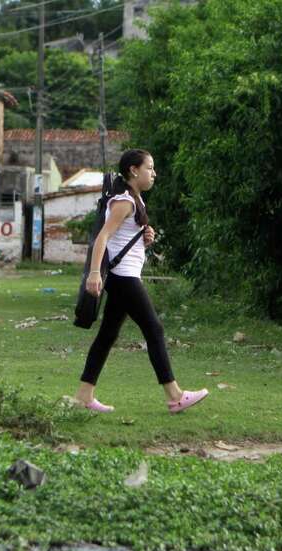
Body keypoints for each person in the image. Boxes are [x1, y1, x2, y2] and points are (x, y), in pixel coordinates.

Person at [73, 149, 208, 414]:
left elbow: (123, 240)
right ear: (134, 171)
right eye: (149, 168)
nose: (154, 173)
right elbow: (103, 237)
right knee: (154, 329)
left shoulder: (136, 201)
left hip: (127, 275)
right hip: (123, 278)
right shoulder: (124, 201)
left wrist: (144, 240)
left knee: (107, 335)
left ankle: (83, 396)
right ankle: (175, 395)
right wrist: (93, 273)